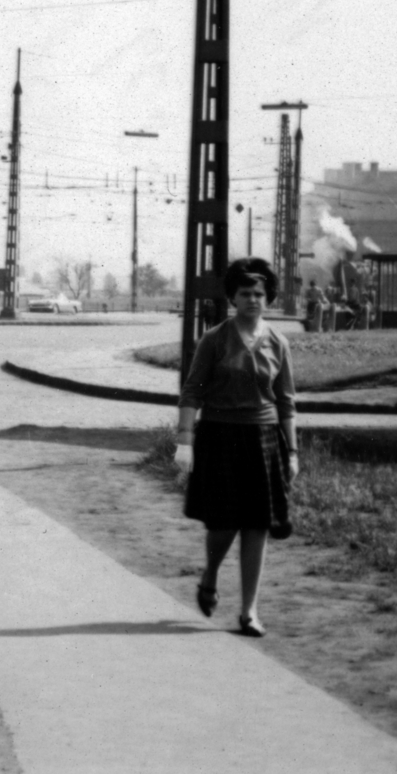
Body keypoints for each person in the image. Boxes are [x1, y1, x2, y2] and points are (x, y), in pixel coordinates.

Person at [175, 256, 298, 639]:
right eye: (245, 293)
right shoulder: (214, 340)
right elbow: (192, 392)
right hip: (220, 436)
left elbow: (286, 401)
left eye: (260, 294)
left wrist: (292, 452)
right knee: (224, 522)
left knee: (257, 524)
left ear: (269, 298)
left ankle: (248, 611)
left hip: (264, 439)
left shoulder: (279, 343)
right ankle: (210, 575)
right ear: (232, 297)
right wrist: (185, 442)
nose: (253, 300)